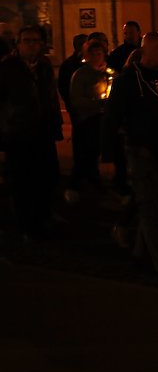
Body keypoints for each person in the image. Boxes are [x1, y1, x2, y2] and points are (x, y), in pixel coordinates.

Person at [101, 32, 158, 283]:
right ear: (145, 51)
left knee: (156, 203)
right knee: (149, 207)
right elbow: (111, 118)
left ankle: (139, 255)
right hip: (141, 151)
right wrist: (107, 156)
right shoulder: (128, 80)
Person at [0, 25, 63, 239]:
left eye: (36, 40)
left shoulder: (44, 67)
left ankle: (43, 216)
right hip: (17, 134)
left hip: (42, 132)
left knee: (46, 178)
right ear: (18, 44)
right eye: (27, 40)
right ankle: (27, 225)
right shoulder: (7, 68)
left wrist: (56, 126)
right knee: (22, 182)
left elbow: (51, 98)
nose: (32, 45)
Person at [68, 39, 111, 193]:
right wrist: (98, 103)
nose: (96, 57)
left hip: (103, 120)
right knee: (84, 155)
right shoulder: (80, 75)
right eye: (92, 54)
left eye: (98, 53)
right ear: (86, 55)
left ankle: (95, 178)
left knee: (97, 152)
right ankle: (75, 184)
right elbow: (77, 100)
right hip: (86, 120)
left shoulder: (109, 74)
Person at [57, 33, 89, 122]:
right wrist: (70, 103)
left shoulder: (92, 60)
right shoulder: (69, 64)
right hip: (76, 106)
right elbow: (63, 86)